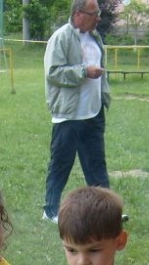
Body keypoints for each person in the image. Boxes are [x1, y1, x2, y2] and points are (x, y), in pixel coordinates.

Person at [41, 0, 110, 223]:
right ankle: (50, 211)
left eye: (98, 13)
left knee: (97, 165)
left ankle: (106, 212)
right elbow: (53, 73)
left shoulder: (95, 38)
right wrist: (84, 71)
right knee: (61, 164)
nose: (98, 18)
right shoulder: (61, 37)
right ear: (78, 14)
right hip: (68, 115)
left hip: (93, 112)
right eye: (94, 13)